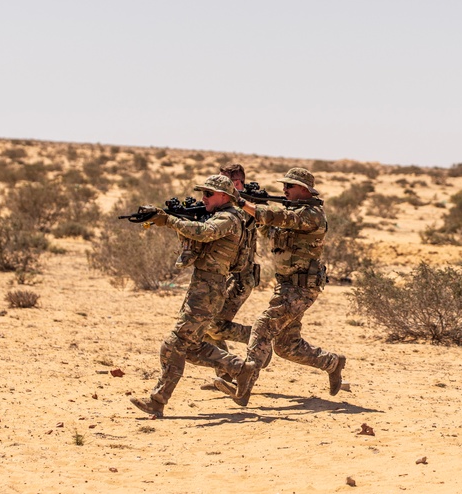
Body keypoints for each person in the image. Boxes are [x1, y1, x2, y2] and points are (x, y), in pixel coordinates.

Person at [130, 174, 254, 418]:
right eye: (202, 193)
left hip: (208, 289)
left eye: (208, 194)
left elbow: (203, 232)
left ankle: (158, 401)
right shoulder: (217, 215)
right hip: (202, 287)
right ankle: (239, 368)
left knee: (173, 345)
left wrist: (169, 220)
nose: (203, 198)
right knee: (190, 346)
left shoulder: (228, 218)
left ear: (224, 196)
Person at [231, 167, 345, 407]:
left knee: (263, 326)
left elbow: (276, 217)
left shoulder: (311, 214)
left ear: (303, 190)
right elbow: (269, 228)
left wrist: (244, 203)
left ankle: (244, 384)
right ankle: (332, 363)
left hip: (301, 288)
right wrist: (253, 210)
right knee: (286, 346)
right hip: (286, 287)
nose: (284, 190)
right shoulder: (293, 214)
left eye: (289, 186)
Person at [202, 164, 259, 387]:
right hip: (225, 275)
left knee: (215, 325)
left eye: (223, 182)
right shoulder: (227, 208)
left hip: (241, 278)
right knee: (207, 326)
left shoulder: (246, 210)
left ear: (236, 184)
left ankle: (256, 338)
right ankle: (225, 375)